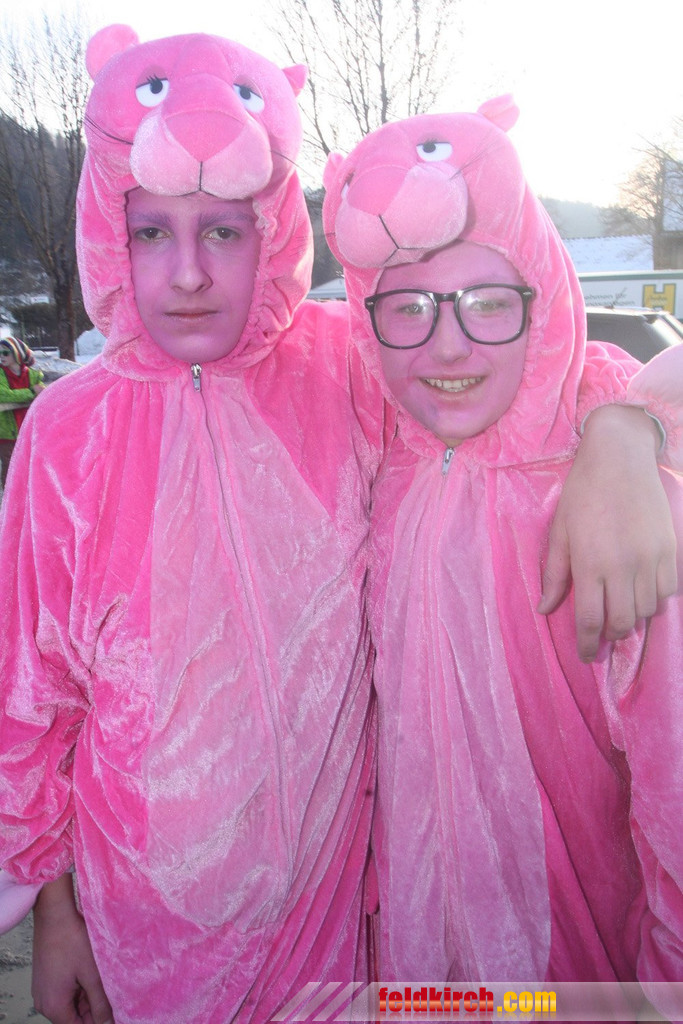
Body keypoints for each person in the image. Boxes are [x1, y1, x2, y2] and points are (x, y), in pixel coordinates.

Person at [0, 32, 679, 1024]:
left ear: (274, 226)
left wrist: (624, 428)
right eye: (150, 233)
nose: (187, 274)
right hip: (140, 933)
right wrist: (55, 912)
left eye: (223, 232)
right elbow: (32, 697)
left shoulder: (343, 371)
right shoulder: (67, 432)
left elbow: (534, 374)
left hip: (337, 943)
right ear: (109, 226)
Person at [322, 101, 683, 990]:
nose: (447, 345)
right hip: (415, 974)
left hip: (574, 981)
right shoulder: (380, 467)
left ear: (543, 303)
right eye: (407, 307)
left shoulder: (607, 508)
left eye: (489, 303)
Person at [0, 335, 45, 487]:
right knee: (10, 467)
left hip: (28, 430)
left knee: (30, 465)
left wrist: (36, 391)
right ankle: (9, 496)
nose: (1, 356)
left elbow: (43, 392)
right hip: (7, 433)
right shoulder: (1, 374)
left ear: (17, 354)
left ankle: (28, 494)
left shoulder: (33, 375)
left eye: (5, 352)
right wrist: (31, 392)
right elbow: (3, 395)